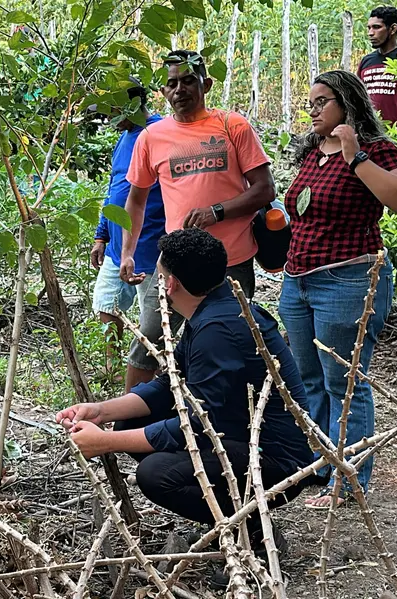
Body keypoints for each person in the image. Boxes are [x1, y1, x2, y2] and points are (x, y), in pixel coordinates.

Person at [58, 228, 312, 545]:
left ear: (170, 283)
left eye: (160, 274)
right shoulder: (210, 311)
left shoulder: (218, 330)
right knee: (130, 420)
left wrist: (107, 442)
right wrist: (101, 411)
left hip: (277, 461)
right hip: (238, 436)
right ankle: (232, 510)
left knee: (156, 475)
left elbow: (196, 426)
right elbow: (170, 386)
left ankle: (251, 531)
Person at [277, 71, 397, 508]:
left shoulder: (376, 150)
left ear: (347, 104)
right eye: (311, 103)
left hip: (348, 280)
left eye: (322, 102)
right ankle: (320, 468)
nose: (313, 110)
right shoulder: (311, 152)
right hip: (298, 281)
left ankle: (349, 481)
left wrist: (357, 158)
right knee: (308, 381)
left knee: (345, 382)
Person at [120, 50, 275, 392]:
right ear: (162, 91)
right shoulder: (151, 137)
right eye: (171, 83)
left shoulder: (232, 125)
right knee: (148, 341)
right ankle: (123, 429)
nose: (180, 90)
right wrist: (127, 252)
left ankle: (229, 426)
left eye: (188, 80)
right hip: (175, 263)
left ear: (206, 84)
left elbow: (264, 189)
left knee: (230, 343)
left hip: (231, 261)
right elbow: (136, 199)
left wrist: (217, 211)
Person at [90, 81, 165, 375]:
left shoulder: (159, 133)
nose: (108, 118)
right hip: (116, 248)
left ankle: (154, 378)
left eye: (113, 110)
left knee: (154, 321)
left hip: (150, 247)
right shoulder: (123, 139)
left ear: (133, 105)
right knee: (106, 305)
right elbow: (114, 189)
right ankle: (111, 370)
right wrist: (101, 235)